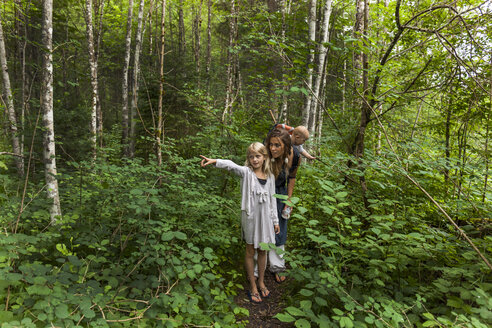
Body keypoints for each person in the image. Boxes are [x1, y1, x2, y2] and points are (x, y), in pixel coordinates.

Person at [200, 142, 280, 304]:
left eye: (258, 156)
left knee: (263, 251)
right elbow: (231, 165)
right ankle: (253, 286)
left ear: (264, 157)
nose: (254, 160)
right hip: (250, 219)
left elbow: (272, 201)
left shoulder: (270, 176)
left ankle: (261, 281)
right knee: (251, 251)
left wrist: (275, 221)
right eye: (251, 157)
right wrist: (215, 161)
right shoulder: (247, 173)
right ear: (248, 159)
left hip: (265, 220)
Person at [264, 129, 301, 283]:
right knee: (262, 226)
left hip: (280, 192)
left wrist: (289, 200)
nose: (273, 149)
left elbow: (291, 177)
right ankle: (257, 265)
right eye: (271, 145)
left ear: (286, 146)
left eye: (277, 146)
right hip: (263, 192)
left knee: (280, 228)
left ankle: (277, 266)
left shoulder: (295, 155)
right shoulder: (264, 153)